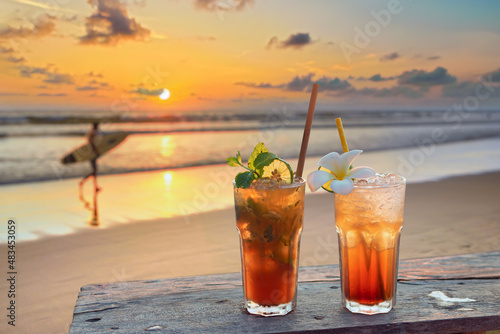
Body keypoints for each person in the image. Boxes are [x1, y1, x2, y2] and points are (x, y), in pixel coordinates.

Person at [79, 122, 101, 224]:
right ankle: (84, 182)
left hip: (91, 153)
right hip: (92, 154)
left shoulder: (92, 132)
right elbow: (92, 143)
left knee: (95, 170)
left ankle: (95, 185)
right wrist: (96, 151)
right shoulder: (93, 132)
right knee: (94, 170)